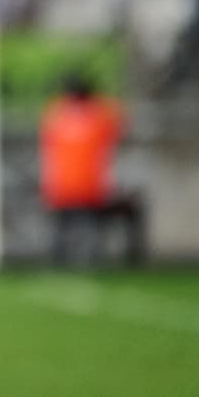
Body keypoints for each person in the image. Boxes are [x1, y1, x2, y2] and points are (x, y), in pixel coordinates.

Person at [40, 74, 144, 266]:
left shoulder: (55, 115)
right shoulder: (101, 116)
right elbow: (125, 121)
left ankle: (58, 256)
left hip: (59, 194)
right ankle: (134, 261)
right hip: (93, 194)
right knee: (134, 208)